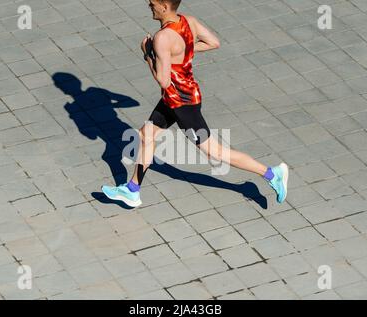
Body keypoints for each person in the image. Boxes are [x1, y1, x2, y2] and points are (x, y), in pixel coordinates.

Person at [102, 0, 288, 208]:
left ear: (164, 6)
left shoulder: (162, 38)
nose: (149, 5)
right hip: (179, 97)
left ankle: (272, 173)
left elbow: (163, 81)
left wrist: (148, 55)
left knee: (215, 152)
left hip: (182, 104)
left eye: (153, 3)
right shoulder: (189, 21)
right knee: (146, 135)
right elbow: (213, 43)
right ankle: (132, 190)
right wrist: (181, 53)